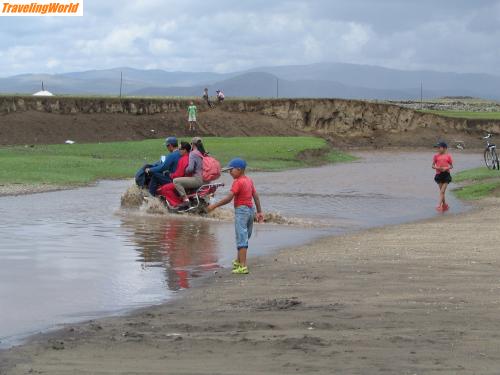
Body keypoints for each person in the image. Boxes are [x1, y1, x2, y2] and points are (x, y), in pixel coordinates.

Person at [207, 158, 264, 274]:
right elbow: (256, 196)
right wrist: (259, 212)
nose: (229, 173)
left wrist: (214, 206)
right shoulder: (248, 180)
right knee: (245, 236)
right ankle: (238, 261)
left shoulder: (238, 182)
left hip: (241, 211)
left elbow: (229, 198)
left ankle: (243, 266)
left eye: (231, 170)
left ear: (239, 169)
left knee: (241, 238)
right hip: (250, 211)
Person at [173, 137, 207, 209]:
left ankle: (185, 201)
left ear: (193, 144)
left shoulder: (193, 153)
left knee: (176, 181)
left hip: (198, 179)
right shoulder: (203, 153)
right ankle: (192, 200)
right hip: (206, 180)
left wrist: (185, 171)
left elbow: (190, 169)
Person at [157, 142, 191, 206]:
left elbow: (179, 174)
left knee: (164, 189)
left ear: (185, 150)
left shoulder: (183, 159)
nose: (178, 150)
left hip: (182, 181)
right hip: (189, 179)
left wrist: (169, 174)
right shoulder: (190, 157)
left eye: (180, 149)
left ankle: (177, 204)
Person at [432, 141, 454, 212]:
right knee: (442, 192)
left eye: (439, 147)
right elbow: (432, 166)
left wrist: (446, 168)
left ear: (445, 148)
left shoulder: (448, 156)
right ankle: (445, 205)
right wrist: (437, 168)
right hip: (439, 175)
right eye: (437, 148)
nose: (438, 149)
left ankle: (439, 206)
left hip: (446, 175)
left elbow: (451, 166)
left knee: (442, 192)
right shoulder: (436, 156)